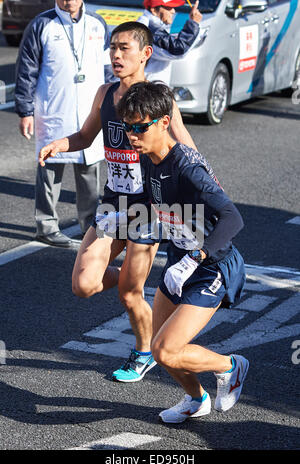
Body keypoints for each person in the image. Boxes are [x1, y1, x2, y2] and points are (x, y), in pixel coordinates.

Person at [38, 21, 197, 383]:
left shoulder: (159, 98)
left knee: (128, 294)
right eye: (112, 48)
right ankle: (136, 285)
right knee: (84, 284)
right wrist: (59, 145)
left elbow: (183, 142)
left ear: (145, 54)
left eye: (125, 48)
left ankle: (144, 353)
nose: (116, 55)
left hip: (148, 207)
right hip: (114, 205)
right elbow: (84, 135)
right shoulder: (104, 93)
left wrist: (203, 187)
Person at [116, 81, 249, 423]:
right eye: (128, 127)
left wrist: (196, 258)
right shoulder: (148, 157)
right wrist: (121, 215)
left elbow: (233, 218)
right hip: (180, 261)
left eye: (140, 127)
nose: (132, 135)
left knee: (165, 349)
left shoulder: (188, 167)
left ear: (163, 121)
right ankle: (197, 399)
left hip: (211, 267)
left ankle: (230, 366)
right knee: (163, 353)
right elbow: (156, 201)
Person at [15, 0, 110, 248]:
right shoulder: (42, 24)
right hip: (54, 109)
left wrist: (114, 103)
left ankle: (89, 225)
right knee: (49, 168)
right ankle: (46, 226)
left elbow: (109, 68)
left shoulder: (98, 24)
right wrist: (25, 110)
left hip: (91, 109)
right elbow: (26, 70)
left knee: (89, 168)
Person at [138, 0, 202, 84]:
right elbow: (178, 50)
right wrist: (193, 24)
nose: (173, 11)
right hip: (148, 89)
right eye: (168, 7)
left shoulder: (149, 24)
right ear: (153, 10)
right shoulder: (150, 29)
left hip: (148, 87)